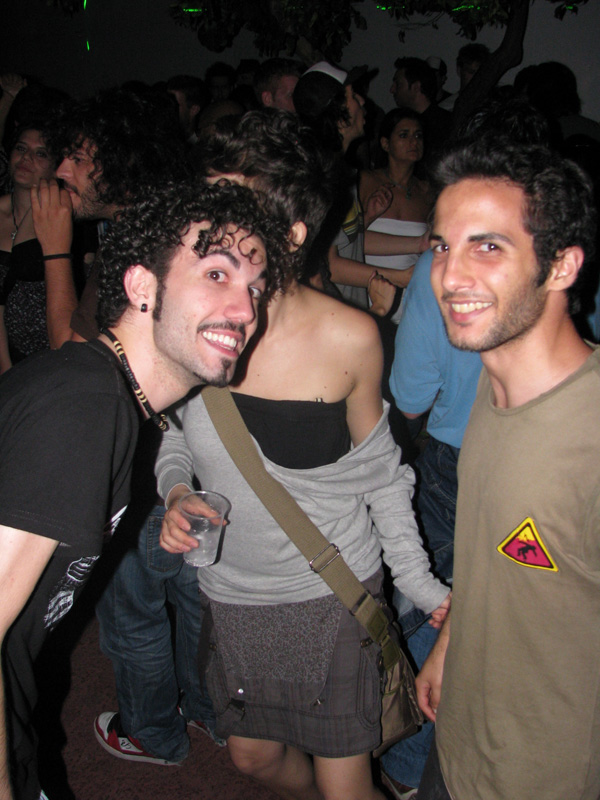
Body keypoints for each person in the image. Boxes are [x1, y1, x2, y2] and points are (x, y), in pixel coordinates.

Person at [155, 109, 451, 800]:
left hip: (330, 592)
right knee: (252, 760)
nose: (210, 226)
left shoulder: (350, 337)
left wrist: (420, 584)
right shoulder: (193, 314)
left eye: (235, 208)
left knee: (345, 783)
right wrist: (175, 491)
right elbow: (173, 431)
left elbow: (383, 478)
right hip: (233, 593)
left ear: (290, 234)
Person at [0, 177, 289, 800]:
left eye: (255, 288)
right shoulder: (82, 406)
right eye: (217, 274)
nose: (246, 310)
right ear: (141, 287)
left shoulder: (110, 400)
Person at [416, 138, 599, 800]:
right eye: (442, 246)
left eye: (487, 247)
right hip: (460, 742)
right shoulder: (494, 389)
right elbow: (492, 550)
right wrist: (448, 647)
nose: (449, 276)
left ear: (561, 266)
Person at [44, 87, 190, 341]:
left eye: (78, 159)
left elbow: (70, 353)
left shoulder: (138, 245)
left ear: (122, 165)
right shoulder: (145, 225)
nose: (60, 172)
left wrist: (54, 250)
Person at [294, 62, 428, 309]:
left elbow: (344, 243)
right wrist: (401, 277)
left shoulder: (340, 170)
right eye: (354, 96)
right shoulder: (319, 176)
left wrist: (418, 243)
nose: (363, 101)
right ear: (337, 109)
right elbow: (330, 267)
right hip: (334, 314)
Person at [0, 124, 75, 369]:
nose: (26, 158)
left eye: (40, 153)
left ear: (56, 167)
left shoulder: (67, 217)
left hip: (56, 355)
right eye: (21, 148)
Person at [360, 108, 435, 321]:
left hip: (411, 298)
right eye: (404, 135)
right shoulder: (365, 181)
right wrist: (369, 215)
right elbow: (345, 241)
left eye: (418, 135)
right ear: (385, 143)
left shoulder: (428, 192)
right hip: (366, 291)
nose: (413, 141)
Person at [390, 58, 450, 166]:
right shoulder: (398, 122)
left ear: (416, 87)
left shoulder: (444, 125)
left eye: (398, 84)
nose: (392, 90)